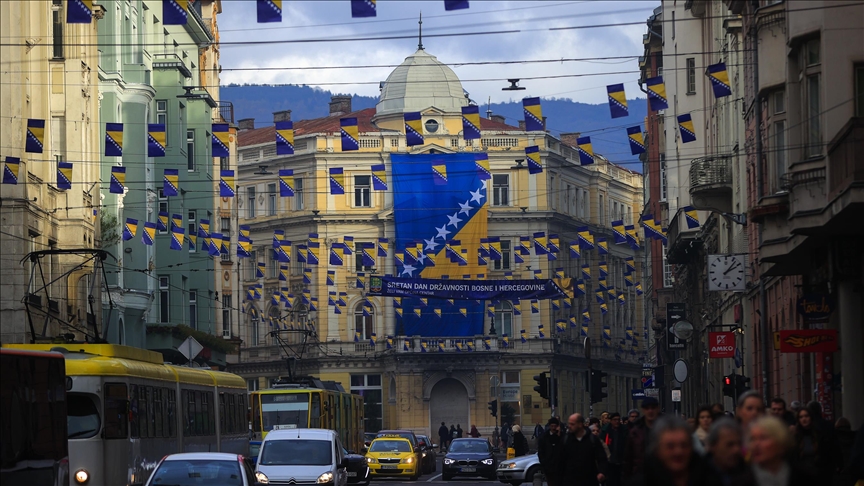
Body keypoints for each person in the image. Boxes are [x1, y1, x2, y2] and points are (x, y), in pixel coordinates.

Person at [626, 416, 718, 486]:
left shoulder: (711, 480)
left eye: (684, 445)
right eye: (670, 446)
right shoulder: (640, 482)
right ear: (658, 449)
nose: (678, 452)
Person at [748, 415, 816, 486]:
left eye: (763, 438)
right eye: (752, 439)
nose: (755, 444)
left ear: (781, 441)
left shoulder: (805, 478)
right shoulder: (742, 481)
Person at [560, 413, 607, 486]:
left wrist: (601, 472)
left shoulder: (592, 440)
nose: (569, 426)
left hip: (589, 480)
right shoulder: (566, 440)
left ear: (580, 424)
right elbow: (560, 461)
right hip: (570, 481)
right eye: (569, 424)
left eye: (572, 424)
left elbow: (602, 458)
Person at [705, 418, 753, 486]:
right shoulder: (697, 476)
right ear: (713, 446)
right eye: (730, 445)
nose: (736, 449)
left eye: (739, 444)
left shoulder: (750, 474)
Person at [794, 406, 837, 481]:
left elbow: (828, 455)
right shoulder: (795, 437)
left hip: (819, 476)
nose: (804, 419)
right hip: (801, 477)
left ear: (811, 417)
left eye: (806, 416)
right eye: (801, 417)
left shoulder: (820, 435)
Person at [624, 397, 661, 480]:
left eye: (653, 408)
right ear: (643, 410)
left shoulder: (667, 429)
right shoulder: (635, 432)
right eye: (647, 408)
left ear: (658, 409)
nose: (650, 411)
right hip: (641, 476)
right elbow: (628, 458)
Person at [601, 412, 629, 486]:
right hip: (610, 462)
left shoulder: (624, 430)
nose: (617, 421)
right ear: (610, 420)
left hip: (622, 461)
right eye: (614, 419)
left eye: (618, 419)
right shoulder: (606, 431)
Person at [538, 417, 564, 486]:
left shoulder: (562, 436)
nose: (553, 428)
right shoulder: (544, 437)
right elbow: (541, 451)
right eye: (552, 426)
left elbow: (563, 448)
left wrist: (559, 435)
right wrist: (544, 463)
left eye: (555, 426)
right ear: (549, 426)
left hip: (560, 467)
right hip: (548, 467)